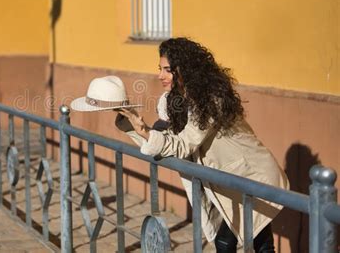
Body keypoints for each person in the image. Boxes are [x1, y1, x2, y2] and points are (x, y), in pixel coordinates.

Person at [115, 37, 289, 253]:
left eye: (167, 70)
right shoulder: (175, 100)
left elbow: (183, 145)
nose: (160, 75)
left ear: (185, 69)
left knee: (230, 241)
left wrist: (145, 131)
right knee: (259, 240)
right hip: (231, 180)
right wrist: (131, 126)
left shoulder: (210, 100)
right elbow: (164, 141)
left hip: (251, 175)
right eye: (160, 69)